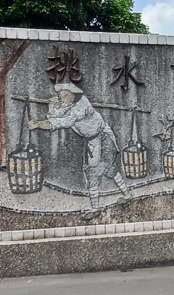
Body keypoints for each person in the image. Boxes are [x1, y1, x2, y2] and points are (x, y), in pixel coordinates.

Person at [28, 82, 132, 218]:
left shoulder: (81, 106)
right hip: (94, 141)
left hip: (102, 139)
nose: (61, 98)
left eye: (65, 95)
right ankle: (126, 195)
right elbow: (57, 115)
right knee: (108, 169)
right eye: (60, 95)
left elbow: (63, 122)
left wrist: (37, 124)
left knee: (95, 171)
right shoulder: (69, 106)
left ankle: (96, 208)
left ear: (74, 95)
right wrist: (51, 107)